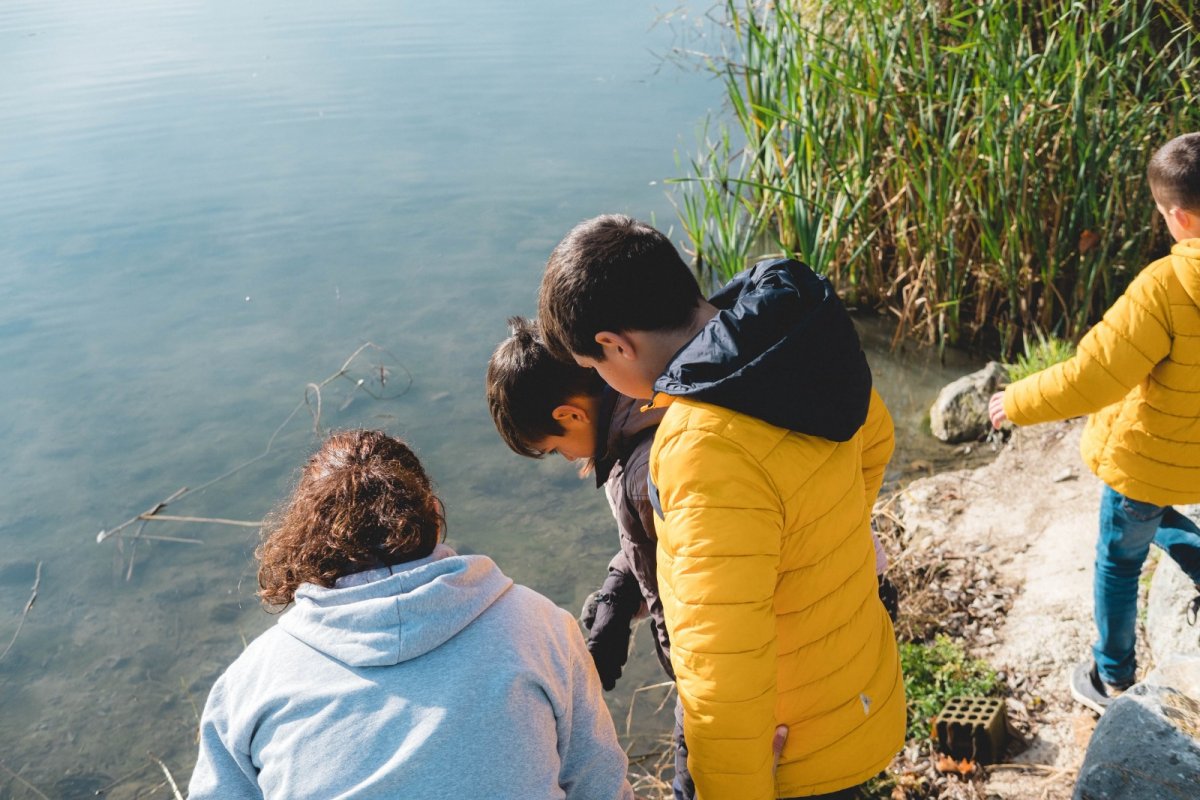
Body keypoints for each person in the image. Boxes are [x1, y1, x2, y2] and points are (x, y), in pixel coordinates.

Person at [537, 214, 905, 800]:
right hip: (853, 683)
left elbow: (722, 669)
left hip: (791, 751)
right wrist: (815, 544)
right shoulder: (798, 342)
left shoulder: (700, 443)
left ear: (614, 345)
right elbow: (875, 441)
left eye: (595, 369)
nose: (603, 381)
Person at [187, 429, 634, 800]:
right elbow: (601, 786)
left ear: (311, 540)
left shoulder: (250, 684)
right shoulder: (539, 627)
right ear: (433, 518)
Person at [989, 132, 1200, 714]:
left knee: (1118, 558)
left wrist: (1018, 401)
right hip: (1192, 458)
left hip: (1147, 460)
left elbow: (1095, 376)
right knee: (1153, 520)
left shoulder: (1165, 286)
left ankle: (1114, 679)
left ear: (1177, 216)